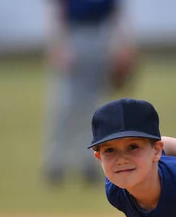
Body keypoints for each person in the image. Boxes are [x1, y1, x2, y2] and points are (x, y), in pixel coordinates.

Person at [43, 0, 137, 186]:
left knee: (95, 106)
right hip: (72, 35)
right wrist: (56, 43)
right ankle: (56, 162)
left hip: (103, 35)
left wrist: (124, 43)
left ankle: (88, 161)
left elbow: (118, 10)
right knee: (65, 104)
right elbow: (54, 8)